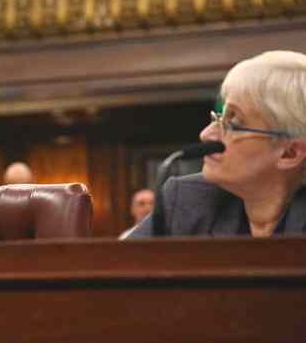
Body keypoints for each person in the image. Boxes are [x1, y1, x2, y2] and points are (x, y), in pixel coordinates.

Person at [128, 51, 306, 238]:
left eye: (234, 123)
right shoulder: (185, 200)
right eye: (219, 117)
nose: (206, 134)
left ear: (290, 153)